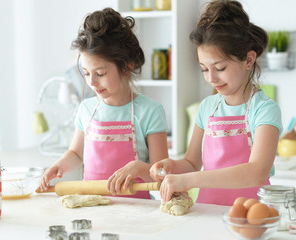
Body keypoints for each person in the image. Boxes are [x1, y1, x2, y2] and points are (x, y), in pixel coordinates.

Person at [150, 0, 283, 205]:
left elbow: (256, 172)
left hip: (249, 218)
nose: (211, 78)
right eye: (204, 68)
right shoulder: (207, 107)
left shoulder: (264, 110)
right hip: (207, 212)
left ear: (248, 60)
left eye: (220, 68)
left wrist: (190, 179)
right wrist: (172, 167)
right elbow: (192, 162)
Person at [39, 8, 169, 199]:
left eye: (100, 74)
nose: (92, 82)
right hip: (91, 206)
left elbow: (163, 175)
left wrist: (140, 169)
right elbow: (76, 154)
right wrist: (60, 165)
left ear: (126, 66)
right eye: (86, 73)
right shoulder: (86, 109)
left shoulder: (150, 111)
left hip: (136, 212)